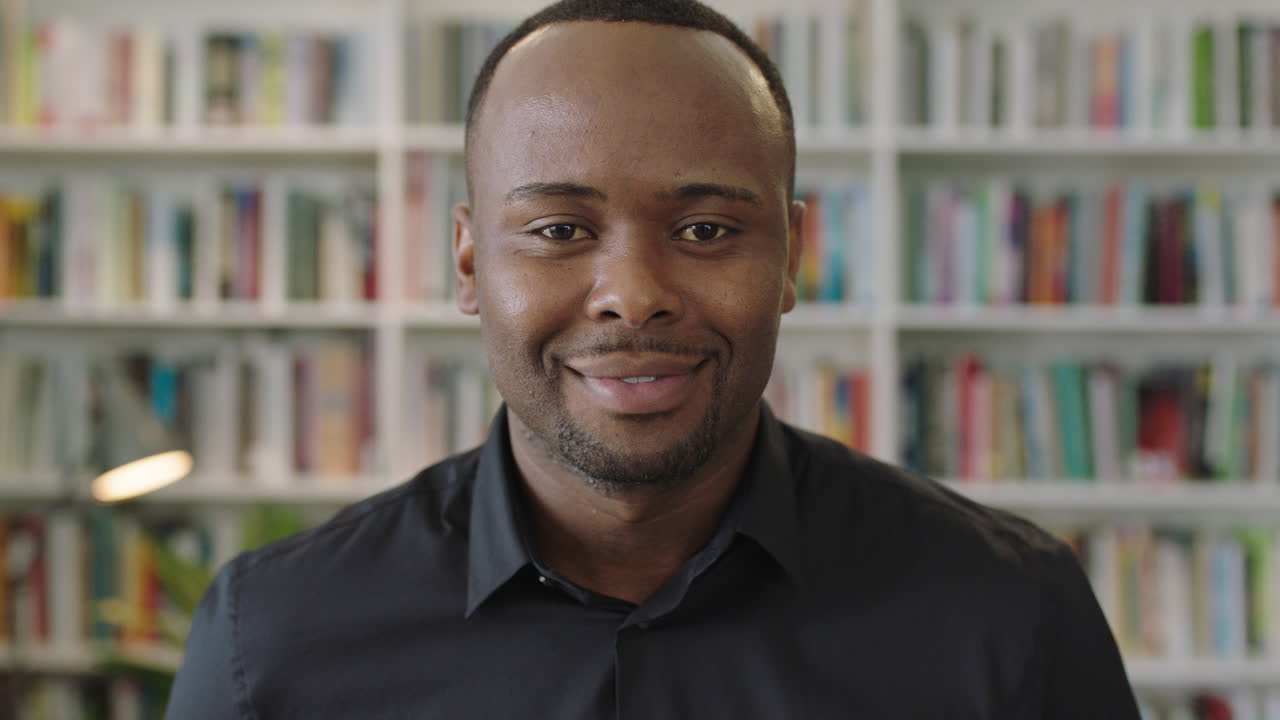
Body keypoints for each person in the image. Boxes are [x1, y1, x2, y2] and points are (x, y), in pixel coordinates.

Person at [165, 1, 1141, 717]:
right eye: (556, 228)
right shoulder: (272, 643)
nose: (632, 293)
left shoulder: (1011, 616)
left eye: (707, 228)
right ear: (468, 262)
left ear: (791, 257)